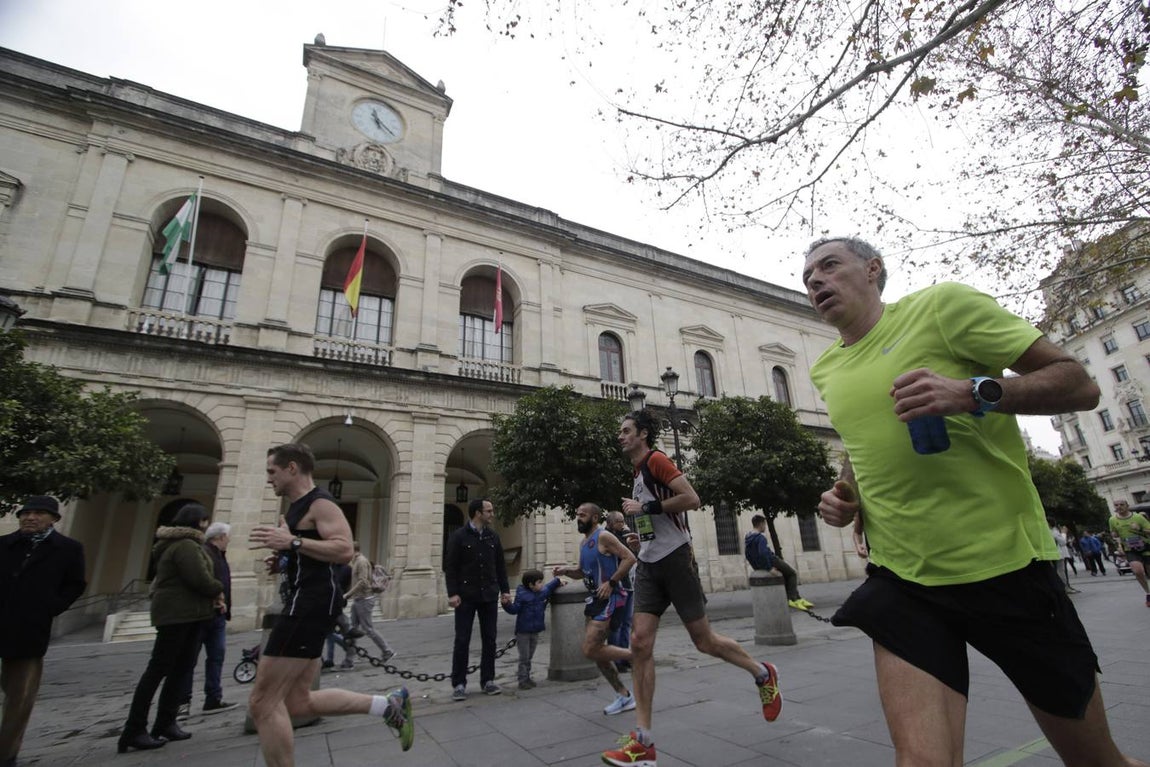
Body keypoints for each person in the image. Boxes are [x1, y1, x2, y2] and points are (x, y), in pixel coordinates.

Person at [803, 236, 1145, 766]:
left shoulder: (943, 307)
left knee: (1096, 762)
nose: (816, 281)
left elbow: (1079, 385)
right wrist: (847, 493)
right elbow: (862, 446)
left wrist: (974, 393)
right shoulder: (826, 367)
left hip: (1006, 566)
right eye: (808, 278)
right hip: (904, 578)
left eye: (829, 266)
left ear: (873, 269)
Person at [602, 411, 782, 767]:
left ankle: (763, 673)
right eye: (620, 432)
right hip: (651, 563)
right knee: (639, 643)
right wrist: (641, 533)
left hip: (676, 560)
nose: (620, 436)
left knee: (704, 641)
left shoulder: (657, 460)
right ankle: (644, 742)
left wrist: (647, 507)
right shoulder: (638, 472)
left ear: (643, 434)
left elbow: (692, 498)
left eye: (626, 431)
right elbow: (657, 517)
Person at [248, 443, 413, 765]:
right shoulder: (296, 507)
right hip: (308, 601)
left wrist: (293, 542)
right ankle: (389, 705)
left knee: (263, 703)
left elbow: (343, 550)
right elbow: (312, 553)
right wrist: (285, 558)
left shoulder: (320, 503)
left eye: (272, 471)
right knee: (297, 702)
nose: (269, 478)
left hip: (308, 605)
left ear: (292, 468)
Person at [119, 503, 224, 753]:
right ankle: (134, 729)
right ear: (198, 521)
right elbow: (198, 578)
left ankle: (165, 722)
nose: (206, 525)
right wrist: (217, 588)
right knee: (160, 670)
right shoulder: (185, 546)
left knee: (179, 670)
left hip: (187, 614)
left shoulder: (181, 544)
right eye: (204, 520)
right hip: (179, 615)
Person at [0, 495, 86, 767]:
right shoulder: (4, 544)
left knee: (20, 697)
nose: (30, 518)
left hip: (29, 629)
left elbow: (75, 584)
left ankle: (6, 753)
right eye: (26, 513)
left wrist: (51, 607)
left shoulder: (68, 549)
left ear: (54, 519)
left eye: (38, 513)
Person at [554, 503, 636, 716]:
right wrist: (566, 571)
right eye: (577, 514)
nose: (578, 518)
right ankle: (624, 695)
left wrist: (611, 582)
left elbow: (629, 558)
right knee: (598, 653)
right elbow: (583, 572)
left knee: (590, 648)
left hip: (611, 598)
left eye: (583, 515)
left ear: (595, 517)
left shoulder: (604, 536)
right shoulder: (584, 543)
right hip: (594, 601)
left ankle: (637, 655)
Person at [443, 497, 512, 701]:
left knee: (490, 639)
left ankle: (488, 680)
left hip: (488, 595)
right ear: (477, 513)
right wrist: (452, 593)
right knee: (462, 640)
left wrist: (505, 590)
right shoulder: (458, 536)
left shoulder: (492, 537)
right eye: (489, 511)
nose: (492, 514)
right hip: (466, 596)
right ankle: (459, 683)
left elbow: (500, 566)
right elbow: (451, 567)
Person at [179, 521, 237, 715]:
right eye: (227, 537)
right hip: (203, 614)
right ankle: (182, 702)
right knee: (189, 660)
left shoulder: (220, 555)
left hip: (218, 615)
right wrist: (217, 594)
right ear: (220, 537)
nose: (229, 540)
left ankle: (213, 698)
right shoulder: (204, 553)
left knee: (216, 657)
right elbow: (202, 581)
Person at [502, 568, 563, 689]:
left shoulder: (541, 592)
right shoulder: (522, 595)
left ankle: (527, 677)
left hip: (535, 630)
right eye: (539, 582)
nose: (542, 584)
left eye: (541, 581)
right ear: (531, 584)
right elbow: (514, 610)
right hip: (523, 631)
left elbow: (549, 587)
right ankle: (523, 680)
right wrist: (506, 604)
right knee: (524, 657)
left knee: (529, 656)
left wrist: (558, 581)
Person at [744, 514, 813, 610]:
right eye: (765, 524)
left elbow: (747, 555)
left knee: (785, 575)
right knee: (792, 573)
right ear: (761, 524)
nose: (765, 527)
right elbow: (763, 553)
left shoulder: (748, 538)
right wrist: (769, 568)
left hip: (762, 563)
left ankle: (796, 597)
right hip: (772, 560)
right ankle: (793, 599)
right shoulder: (760, 537)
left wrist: (756, 567)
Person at [346, 542, 396, 663]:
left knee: (368, 629)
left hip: (364, 599)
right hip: (358, 599)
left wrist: (348, 594)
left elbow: (363, 581)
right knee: (353, 628)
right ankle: (350, 658)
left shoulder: (361, 561)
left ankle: (387, 651)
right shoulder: (356, 561)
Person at [604, 510, 638, 672]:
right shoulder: (607, 537)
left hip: (629, 583)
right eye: (620, 521)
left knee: (627, 622)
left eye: (623, 520)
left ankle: (624, 657)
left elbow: (634, 555)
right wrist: (625, 535)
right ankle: (615, 659)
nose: (623, 523)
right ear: (611, 523)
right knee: (616, 624)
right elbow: (622, 555)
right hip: (618, 586)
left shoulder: (622, 536)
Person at [1108, 499, 1150, 607]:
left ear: (1127, 506)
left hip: (1146, 546)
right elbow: (1115, 534)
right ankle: (1148, 593)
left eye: (1122, 504)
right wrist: (1117, 541)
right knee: (1138, 571)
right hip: (1130, 549)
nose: (1119, 507)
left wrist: (1140, 528)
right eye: (1116, 505)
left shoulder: (1138, 517)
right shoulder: (1112, 520)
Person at [321, 563, 358, 671]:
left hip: (331, 603)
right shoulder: (346, 568)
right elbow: (348, 585)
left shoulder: (331, 567)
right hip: (336, 602)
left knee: (329, 632)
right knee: (330, 631)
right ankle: (330, 658)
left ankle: (346, 649)